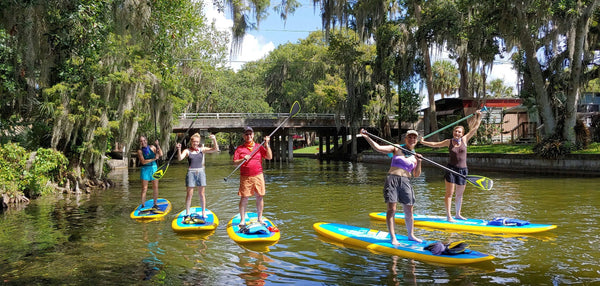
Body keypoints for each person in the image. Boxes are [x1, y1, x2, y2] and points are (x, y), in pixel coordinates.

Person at [361, 129, 423, 244]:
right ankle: (393, 237)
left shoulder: (415, 156)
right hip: (392, 179)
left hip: (406, 181)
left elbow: (416, 175)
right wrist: (366, 137)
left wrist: (419, 162)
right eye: (410, 137)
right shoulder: (397, 148)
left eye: (414, 138)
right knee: (392, 209)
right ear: (406, 138)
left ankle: (411, 235)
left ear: (416, 140)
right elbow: (378, 148)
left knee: (409, 209)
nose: (412, 139)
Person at [420, 110, 483, 222]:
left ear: (462, 134)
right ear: (453, 132)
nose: (457, 133)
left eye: (459, 132)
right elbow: (435, 144)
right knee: (449, 193)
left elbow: (475, 128)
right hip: (451, 169)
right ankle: (449, 216)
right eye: (455, 131)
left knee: (459, 194)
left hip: (463, 170)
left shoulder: (465, 140)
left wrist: (479, 116)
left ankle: (458, 214)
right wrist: (423, 142)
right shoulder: (448, 142)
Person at [232, 126, 272, 228]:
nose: (248, 136)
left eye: (250, 134)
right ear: (243, 136)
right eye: (246, 134)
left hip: (258, 175)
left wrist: (267, 145)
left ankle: (260, 218)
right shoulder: (239, 149)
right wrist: (242, 159)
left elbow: (269, 157)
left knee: (259, 196)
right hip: (245, 177)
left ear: (253, 135)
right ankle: (242, 220)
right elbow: (235, 163)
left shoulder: (259, 146)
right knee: (244, 198)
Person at [176, 133, 219, 221]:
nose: (195, 143)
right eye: (194, 142)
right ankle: (187, 212)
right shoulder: (187, 151)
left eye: (197, 142)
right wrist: (179, 149)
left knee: (202, 194)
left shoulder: (201, 149)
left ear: (199, 142)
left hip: (200, 172)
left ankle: (203, 212)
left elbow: (215, 149)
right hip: (191, 172)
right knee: (189, 194)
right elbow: (180, 158)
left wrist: (214, 139)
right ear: (191, 142)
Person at [137, 135, 163, 209]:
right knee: (144, 188)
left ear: (146, 140)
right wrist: (154, 158)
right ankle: (143, 205)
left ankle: (155, 204)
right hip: (145, 170)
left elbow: (161, 154)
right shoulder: (140, 151)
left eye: (144, 140)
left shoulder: (152, 147)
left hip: (154, 168)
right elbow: (143, 162)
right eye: (141, 141)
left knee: (155, 187)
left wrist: (158, 145)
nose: (143, 142)